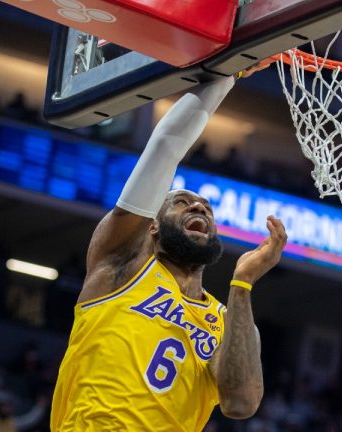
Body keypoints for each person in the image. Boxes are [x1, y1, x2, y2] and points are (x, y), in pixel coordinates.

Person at [50, 68, 286, 431]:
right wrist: (228, 72)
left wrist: (242, 283)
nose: (199, 208)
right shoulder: (121, 263)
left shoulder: (229, 321)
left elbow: (240, 403)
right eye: (182, 202)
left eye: (207, 208)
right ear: (153, 226)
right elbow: (165, 147)